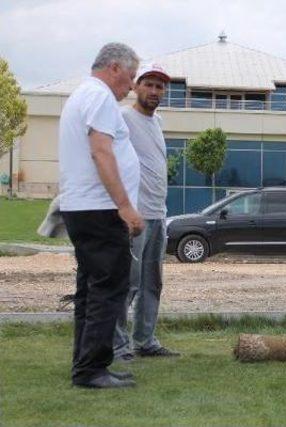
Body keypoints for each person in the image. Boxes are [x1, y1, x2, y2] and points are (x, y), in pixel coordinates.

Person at [58, 43, 143, 388]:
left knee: (90, 290)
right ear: (114, 68)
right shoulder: (100, 97)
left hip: (82, 208)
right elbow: (101, 152)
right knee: (108, 288)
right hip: (101, 209)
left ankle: (84, 362)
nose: (132, 86)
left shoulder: (81, 95)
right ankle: (92, 369)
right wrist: (125, 205)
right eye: (131, 77)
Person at [113, 63, 180, 361]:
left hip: (157, 214)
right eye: (149, 84)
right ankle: (116, 344)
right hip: (134, 217)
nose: (154, 91)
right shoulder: (123, 118)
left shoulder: (158, 122)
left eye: (160, 86)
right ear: (136, 86)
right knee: (128, 283)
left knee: (153, 283)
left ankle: (145, 340)